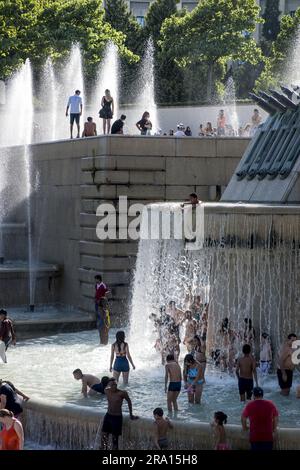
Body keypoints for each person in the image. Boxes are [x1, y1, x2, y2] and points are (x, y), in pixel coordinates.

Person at [101, 377, 138, 450]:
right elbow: (102, 384)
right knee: (104, 436)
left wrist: (131, 415)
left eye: (115, 384)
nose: (114, 386)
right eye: (112, 385)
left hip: (117, 417)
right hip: (108, 416)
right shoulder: (106, 391)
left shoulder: (122, 393)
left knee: (115, 439)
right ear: (109, 385)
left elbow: (129, 402)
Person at [241, 387, 279, 451]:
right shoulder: (270, 404)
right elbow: (276, 417)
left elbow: (243, 418)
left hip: (255, 437)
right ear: (262, 395)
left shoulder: (250, 405)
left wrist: (245, 427)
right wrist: (274, 428)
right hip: (267, 437)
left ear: (253, 395)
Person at [94, 274, 110, 345]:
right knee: (98, 316)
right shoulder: (96, 285)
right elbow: (97, 292)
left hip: (102, 303)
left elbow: (107, 291)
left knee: (103, 321)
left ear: (99, 279)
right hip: (97, 302)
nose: (95, 280)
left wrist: (103, 297)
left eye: (96, 279)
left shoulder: (103, 285)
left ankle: (104, 342)